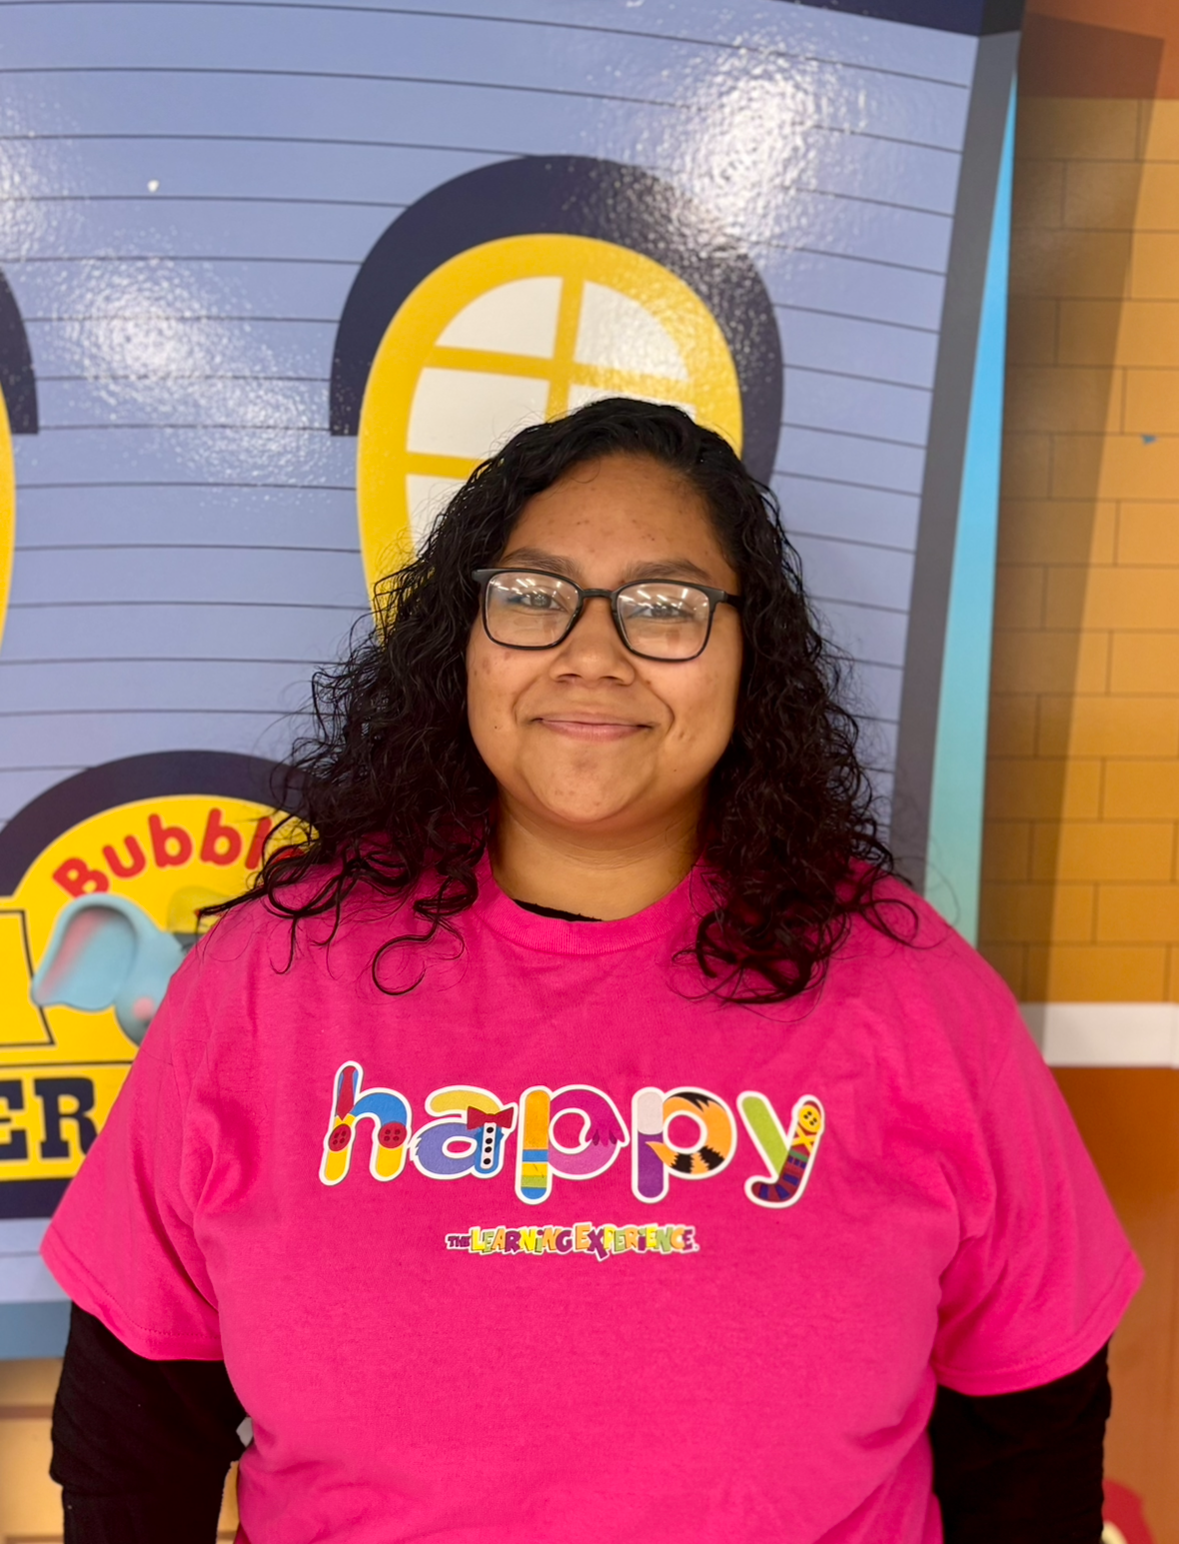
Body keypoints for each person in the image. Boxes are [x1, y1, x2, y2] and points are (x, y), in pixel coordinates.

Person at [44, 399, 1138, 1543]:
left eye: (666, 607)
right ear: (463, 641)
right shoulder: (268, 980)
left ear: (750, 655)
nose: (592, 656)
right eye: (534, 596)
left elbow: (1031, 1430)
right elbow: (137, 1429)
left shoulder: (913, 994)